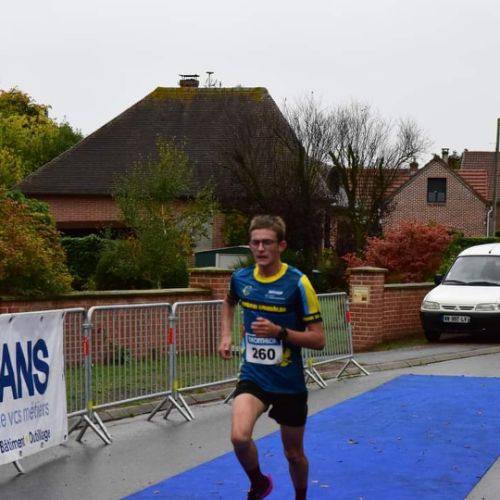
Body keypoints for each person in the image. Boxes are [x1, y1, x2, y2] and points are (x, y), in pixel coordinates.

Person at [218, 215, 325, 500]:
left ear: (281, 246)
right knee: (239, 437)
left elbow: (318, 339)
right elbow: (228, 302)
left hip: (288, 381)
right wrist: (226, 335)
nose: (260, 248)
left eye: (267, 242)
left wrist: (279, 332)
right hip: (254, 375)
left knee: (293, 454)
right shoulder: (241, 278)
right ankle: (259, 483)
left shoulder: (298, 283)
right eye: (255, 243)